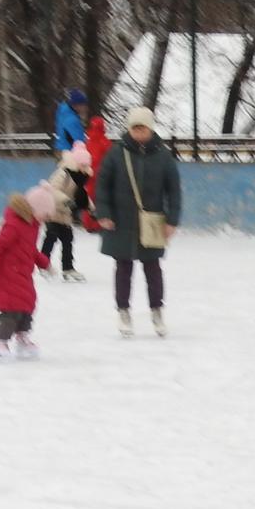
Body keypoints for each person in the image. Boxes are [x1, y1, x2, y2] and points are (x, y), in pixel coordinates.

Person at [93, 106, 181, 338]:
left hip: (151, 223)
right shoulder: (116, 153)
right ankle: (123, 311)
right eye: (135, 128)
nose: (139, 133)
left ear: (151, 129)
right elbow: (102, 185)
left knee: (153, 268)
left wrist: (172, 219)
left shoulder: (163, 156)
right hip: (121, 222)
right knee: (123, 268)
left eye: (143, 128)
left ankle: (157, 310)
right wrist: (103, 212)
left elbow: (174, 190)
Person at [0, 188, 51, 362]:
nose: (45, 219)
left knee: (27, 306)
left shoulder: (32, 226)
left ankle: (22, 338)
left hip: (22, 274)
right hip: (7, 273)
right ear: (35, 210)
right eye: (44, 214)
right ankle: (0, 342)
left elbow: (30, 250)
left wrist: (44, 263)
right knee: (11, 309)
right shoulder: (14, 225)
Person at [40, 144, 91, 281]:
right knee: (51, 237)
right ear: (75, 163)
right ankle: (43, 264)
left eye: (86, 165)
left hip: (65, 213)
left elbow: (82, 195)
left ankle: (68, 268)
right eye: (82, 164)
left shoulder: (79, 177)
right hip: (52, 210)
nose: (84, 168)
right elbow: (52, 190)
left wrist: (92, 209)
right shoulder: (63, 173)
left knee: (68, 240)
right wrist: (67, 201)